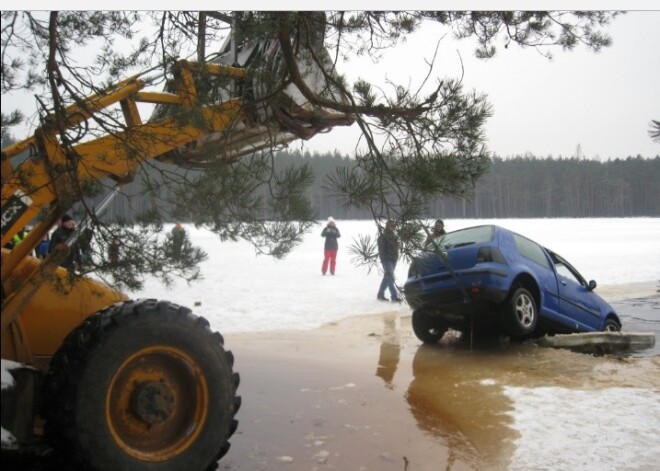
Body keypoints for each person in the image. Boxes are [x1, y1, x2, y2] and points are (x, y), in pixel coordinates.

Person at [377, 219, 402, 302]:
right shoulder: (383, 236)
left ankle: (380, 294)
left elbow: (397, 247)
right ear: (387, 226)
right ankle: (394, 296)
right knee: (390, 278)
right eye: (390, 225)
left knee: (387, 277)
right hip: (387, 260)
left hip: (394, 259)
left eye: (393, 225)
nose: (392, 227)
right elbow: (382, 250)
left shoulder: (395, 236)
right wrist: (384, 260)